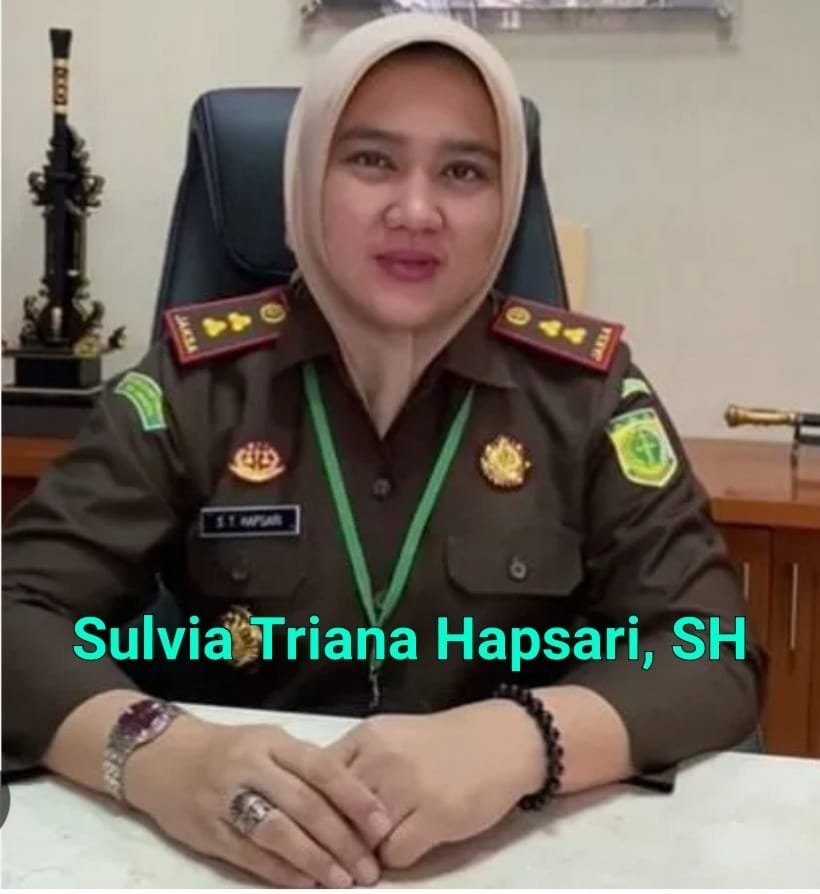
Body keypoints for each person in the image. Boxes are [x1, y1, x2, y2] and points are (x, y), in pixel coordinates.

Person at [2, 11, 764, 890]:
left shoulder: (584, 393)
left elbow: (709, 645)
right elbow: (16, 608)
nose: (416, 210)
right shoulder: (198, 384)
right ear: (304, 179)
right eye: (371, 160)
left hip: (511, 860)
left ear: (508, 203)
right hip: (237, 865)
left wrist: (525, 737)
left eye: (464, 171)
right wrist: (163, 755)